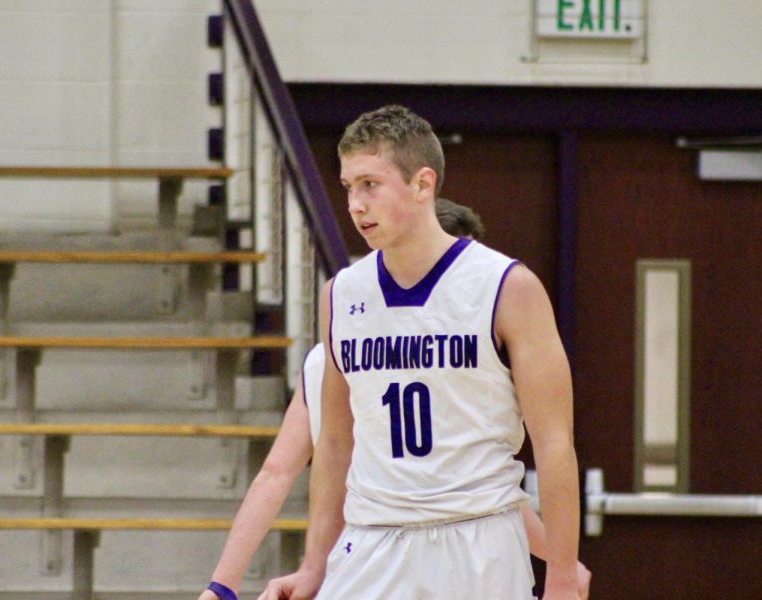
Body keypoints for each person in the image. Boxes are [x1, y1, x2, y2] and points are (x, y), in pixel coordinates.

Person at [257, 105, 581, 599]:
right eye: (348, 187)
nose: (355, 204)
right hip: (371, 540)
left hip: (478, 539)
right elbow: (337, 445)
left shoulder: (507, 286)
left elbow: (554, 443)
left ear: (422, 184)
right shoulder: (341, 293)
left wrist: (560, 576)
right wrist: (313, 565)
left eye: (370, 184)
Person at [200, 198, 589, 599]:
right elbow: (284, 470)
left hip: (386, 548)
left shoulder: (350, 349)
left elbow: (276, 473)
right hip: (379, 542)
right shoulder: (333, 354)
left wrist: (223, 585)